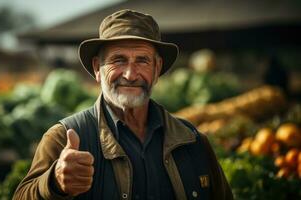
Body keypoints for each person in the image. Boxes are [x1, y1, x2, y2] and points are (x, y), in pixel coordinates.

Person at [13, 9, 233, 200]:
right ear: (98, 68)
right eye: (119, 60)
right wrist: (54, 183)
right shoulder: (63, 137)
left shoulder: (192, 141)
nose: (130, 74)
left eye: (142, 60)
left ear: (157, 70)